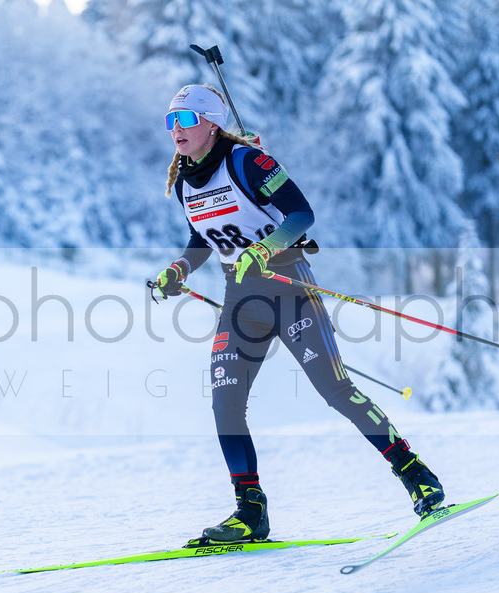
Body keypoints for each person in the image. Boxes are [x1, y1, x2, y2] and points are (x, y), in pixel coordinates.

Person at [153, 84, 444, 546]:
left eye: (185, 120)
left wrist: (265, 248)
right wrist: (179, 268)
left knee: (335, 390)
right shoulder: (188, 180)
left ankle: (416, 474)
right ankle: (251, 512)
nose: (176, 131)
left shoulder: (248, 161)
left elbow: (300, 214)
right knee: (225, 402)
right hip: (241, 299)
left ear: (212, 123)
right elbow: (200, 239)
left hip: (289, 285)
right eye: (170, 121)